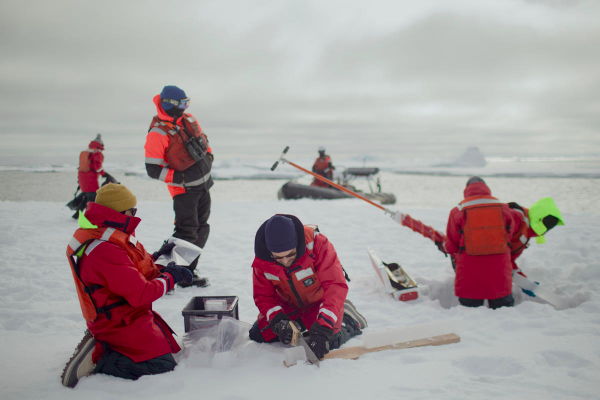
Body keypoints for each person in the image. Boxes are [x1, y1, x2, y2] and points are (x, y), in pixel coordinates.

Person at [61, 183, 194, 388]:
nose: (135, 215)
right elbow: (141, 293)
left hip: (126, 313)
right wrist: (170, 278)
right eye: (133, 211)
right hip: (116, 321)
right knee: (162, 365)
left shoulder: (107, 234)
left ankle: (106, 349)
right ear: (119, 212)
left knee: (169, 352)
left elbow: (129, 270)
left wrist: (158, 257)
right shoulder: (104, 249)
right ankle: (99, 358)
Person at [248, 214, 367, 359]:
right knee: (258, 334)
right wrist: (279, 320)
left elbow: (335, 285)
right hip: (288, 305)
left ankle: (349, 320)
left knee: (328, 341)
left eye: (290, 254)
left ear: (297, 243)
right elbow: (263, 296)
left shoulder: (318, 244)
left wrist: (324, 327)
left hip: (319, 303)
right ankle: (300, 324)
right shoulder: (262, 259)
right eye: (278, 257)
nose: (285, 261)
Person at [144, 85, 213, 287]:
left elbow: (203, 141)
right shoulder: (157, 133)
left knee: (202, 229)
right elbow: (153, 169)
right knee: (186, 232)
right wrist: (180, 178)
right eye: (182, 104)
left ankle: (187, 271)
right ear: (169, 105)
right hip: (183, 191)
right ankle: (166, 271)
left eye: (187, 103)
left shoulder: (189, 120)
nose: (185, 108)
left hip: (203, 185)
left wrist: (209, 155)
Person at [442, 176, 520, 309]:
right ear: (486, 188)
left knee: (470, 313)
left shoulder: (458, 211)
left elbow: (452, 245)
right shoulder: (503, 207)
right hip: (499, 269)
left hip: (469, 271)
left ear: (466, 190)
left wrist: (445, 246)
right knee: (504, 313)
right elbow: (509, 234)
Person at [508, 197, 564, 272]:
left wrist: (518, 274)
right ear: (539, 219)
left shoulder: (527, 231)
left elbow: (509, 259)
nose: (544, 232)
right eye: (545, 227)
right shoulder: (517, 217)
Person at [71, 134, 117, 218]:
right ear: (100, 145)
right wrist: (104, 174)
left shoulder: (85, 152)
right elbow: (97, 167)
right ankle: (94, 216)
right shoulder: (97, 153)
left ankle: (77, 214)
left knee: (86, 196)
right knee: (94, 198)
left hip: (82, 178)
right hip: (91, 179)